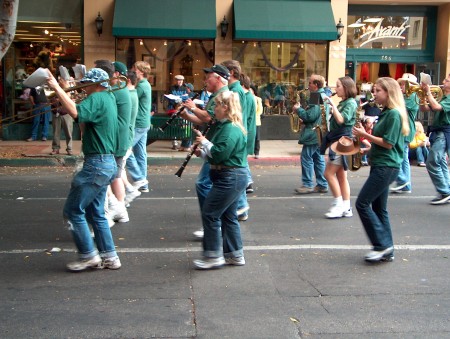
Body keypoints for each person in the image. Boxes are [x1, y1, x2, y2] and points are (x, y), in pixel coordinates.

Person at [46, 67, 121, 271]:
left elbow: (76, 113)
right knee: (96, 212)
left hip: (96, 163)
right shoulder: (107, 98)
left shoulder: (97, 98)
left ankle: (89, 256)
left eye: (85, 83)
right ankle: (109, 256)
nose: (82, 86)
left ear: (96, 84)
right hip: (105, 162)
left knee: (72, 211)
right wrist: (65, 92)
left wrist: (56, 88)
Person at [352, 77, 409, 262]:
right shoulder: (387, 112)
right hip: (382, 164)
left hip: (386, 166)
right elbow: (387, 143)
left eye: (377, 91)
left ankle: (381, 245)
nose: (374, 94)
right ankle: (387, 249)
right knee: (379, 208)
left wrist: (364, 134)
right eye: (374, 90)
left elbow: (389, 144)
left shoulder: (393, 114)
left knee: (362, 203)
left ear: (389, 92)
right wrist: (367, 147)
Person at [191, 90, 248, 269]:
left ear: (226, 107)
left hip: (230, 177)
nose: (214, 108)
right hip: (231, 175)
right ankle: (234, 254)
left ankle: (213, 255)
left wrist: (205, 142)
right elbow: (218, 156)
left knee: (210, 213)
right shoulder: (227, 126)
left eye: (216, 105)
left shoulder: (230, 129)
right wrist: (202, 152)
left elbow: (220, 153)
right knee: (228, 216)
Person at [181, 64, 230, 239]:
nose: (205, 80)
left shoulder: (222, 95)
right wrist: (187, 115)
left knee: (204, 184)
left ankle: (211, 225)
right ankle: (215, 224)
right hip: (214, 144)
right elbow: (206, 120)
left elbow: (209, 117)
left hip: (218, 146)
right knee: (216, 187)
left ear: (218, 78)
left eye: (208, 76)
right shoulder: (216, 95)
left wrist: (193, 108)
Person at [322, 76, 357, 218]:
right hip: (340, 140)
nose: (336, 89)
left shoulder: (350, 103)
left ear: (346, 88)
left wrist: (332, 105)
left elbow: (341, 119)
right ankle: (346, 207)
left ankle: (338, 204)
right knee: (341, 176)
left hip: (342, 141)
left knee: (328, 174)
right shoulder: (346, 102)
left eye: (338, 86)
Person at [221, 60, 250, 221]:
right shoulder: (236, 89)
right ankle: (240, 207)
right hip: (239, 136)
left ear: (231, 72)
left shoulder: (235, 91)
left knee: (237, 172)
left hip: (236, 137)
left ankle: (240, 207)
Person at [293, 74, 328, 194]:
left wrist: (299, 110)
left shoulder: (315, 95)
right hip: (320, 132)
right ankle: (322, 184)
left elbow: (310, 116)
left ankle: (307, 184)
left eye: (310, 83)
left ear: (316, 85)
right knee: (318, 158)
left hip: (313, 132)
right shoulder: (324, 95)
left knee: (306, 157)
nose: (308, 85)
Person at [420, 73, 450, 205]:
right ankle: (447, 189)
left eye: (447, 80)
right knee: (441, 162)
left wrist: (428, 92)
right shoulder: (443, 97)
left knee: (432, 161)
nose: (443, 81)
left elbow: (437, 107)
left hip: (444, 132)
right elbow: (424, 108)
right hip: (437, 132)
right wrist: (422, 96)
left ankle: (444, 191)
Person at [390, 73, 419, 194]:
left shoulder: (413, 96)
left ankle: (403, 181)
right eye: (401, 83)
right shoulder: (404, 96)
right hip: (403, 129)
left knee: (397, 155)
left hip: (405, 129)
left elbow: (398, 107)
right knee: (403, 158)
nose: (401, 86)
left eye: (404, 84)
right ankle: (405, 184)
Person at [126, 61, 152, 193]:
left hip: (138, 123)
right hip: (144, 122)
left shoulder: (141, 85)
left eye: (134, 68)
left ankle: (139, 178)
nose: (132, 70)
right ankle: (143, 183)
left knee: (126, 150)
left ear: (141, 71)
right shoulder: (145, 84)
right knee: (141, 154)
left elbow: (130, 98)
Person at [50, 77, 74, 155]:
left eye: (62, 80)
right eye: (59, 80)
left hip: (66, 114)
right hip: (56, 114)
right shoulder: (55, 90)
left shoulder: (70, 90)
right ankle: (55, 148)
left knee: (69, 132)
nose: (60, 81)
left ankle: (69, 148)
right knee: (56, 133)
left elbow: (71, 100)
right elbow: (52, 100)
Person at [250, 84, 263, 159]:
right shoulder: (246, 98)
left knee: (257, 137)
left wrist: (253, 116)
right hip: (249, 121)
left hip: (256, 121)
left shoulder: (258, 99)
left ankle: (256, 152)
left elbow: (260, 111)